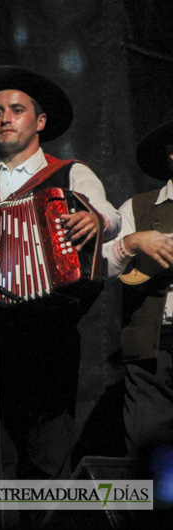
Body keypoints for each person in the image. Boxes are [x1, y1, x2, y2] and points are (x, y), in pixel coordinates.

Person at [0, 66, 121, 486]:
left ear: (40, 122)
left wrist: (94, 220)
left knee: (48, 458)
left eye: (17, 110)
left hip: (46, 332)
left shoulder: (71, 173)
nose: (5, 118)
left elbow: (109, 214)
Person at [104, 119, 173, 459]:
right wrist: (133, 242)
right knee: (148, 455)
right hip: (153, 350)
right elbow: (101, 267)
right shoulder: (137, 207)